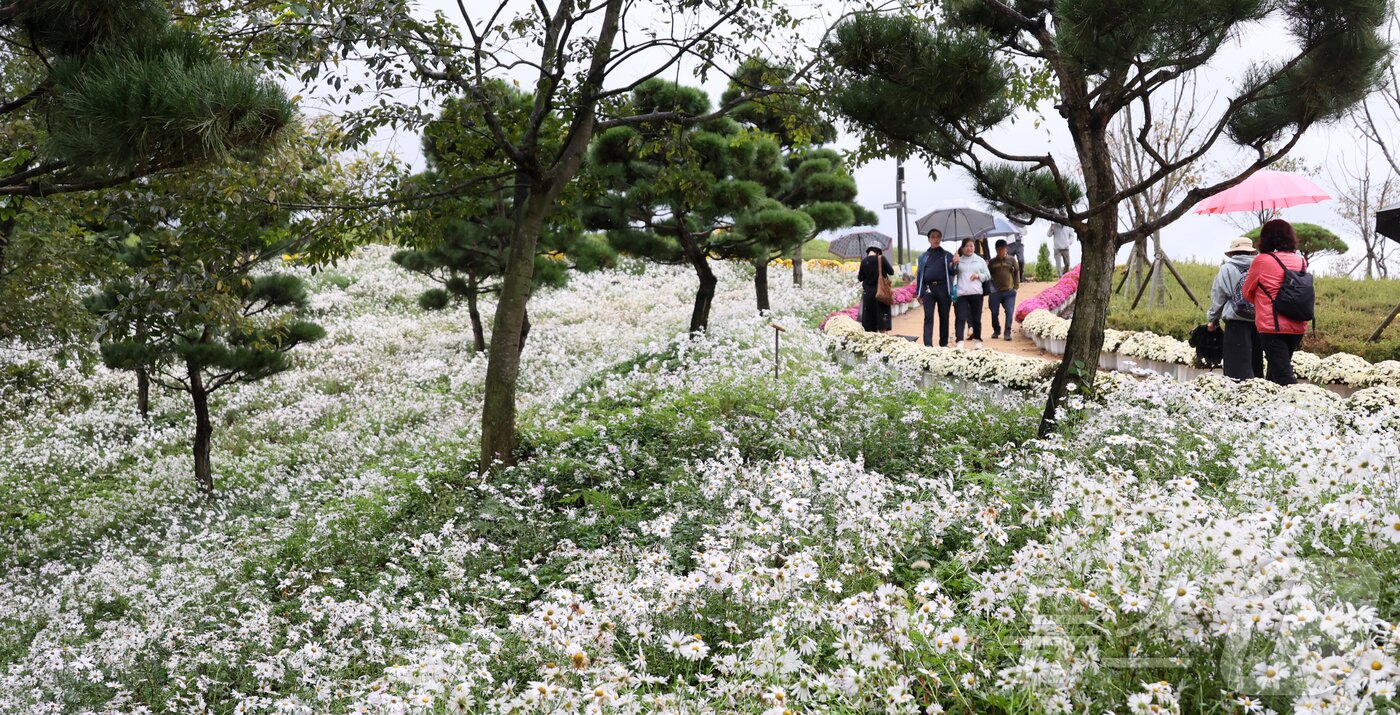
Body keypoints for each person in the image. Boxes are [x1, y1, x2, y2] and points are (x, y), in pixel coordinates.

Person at [1243, 219, 1310, 385]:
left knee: (1283, 376)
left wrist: (1261, 301)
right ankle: (1271, 407)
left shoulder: (1262, 260)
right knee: (1275, 373)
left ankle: (1301, 405)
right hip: (1297, 323)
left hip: (1272, 325)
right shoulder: (1300, 260)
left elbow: (1247, 292)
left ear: (1266, 237)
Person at [1206, 236, 1264, 380]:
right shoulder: (1262, 267)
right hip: (1259, 322)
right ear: (1251, 252)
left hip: (1235, 322)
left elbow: (1218, 297)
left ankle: (1237, 396)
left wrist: (1212, 319)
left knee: (1236, 366)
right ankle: (1257, 394)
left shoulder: (1226, 269)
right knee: (1255, 362)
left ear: (1232, 253)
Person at [916, 229, 956, 347]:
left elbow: (953, 272)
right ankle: (928, 345)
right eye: (933, 237)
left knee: (944, 317)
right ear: (929, 239)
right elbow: (920, 275)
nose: (935, 239)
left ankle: (943, 344)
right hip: (928, 289)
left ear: (940, 239)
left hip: (944, 289)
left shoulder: (947, 255)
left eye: (938, 237)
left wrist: (955, 263)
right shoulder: (923, 257)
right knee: (928, 317)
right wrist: (919, 292)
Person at [953, 238, 988, 349]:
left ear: (974, 247)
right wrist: (954, 264)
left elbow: (988, 275)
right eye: (966, 246)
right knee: (960, 317)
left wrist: (979, 276)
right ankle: (959, 341)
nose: (969, 248)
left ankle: (977, 340)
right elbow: (952, 274)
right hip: (961, 294)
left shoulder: (980, 260)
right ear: (962, 248)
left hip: (976, 293)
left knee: (976, 318)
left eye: (971, 246)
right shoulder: (958, 260)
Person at [987, 239, 1019, 341]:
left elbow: (1017, 272)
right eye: (1000, 249)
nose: (1002, 251)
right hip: (995, 292)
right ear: (996, 249)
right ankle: (996, 330)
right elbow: (988, 276)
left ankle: (1007, 332)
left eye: (1004, 249)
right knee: (994, 312)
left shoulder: (1012, 260)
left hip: (1009, 291)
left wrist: (1016, 286)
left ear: (1006, 249)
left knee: (1009, 312)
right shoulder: (992, 262)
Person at [857, 245, 894, 333]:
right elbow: (891, 272)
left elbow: (860, 278)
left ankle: (873, 343)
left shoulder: (864, 261)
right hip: (880, 294)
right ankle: (883, 342)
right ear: (878, 252)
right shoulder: (881, 259)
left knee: (869, 324)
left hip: (868, 295)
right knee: (882, 321)